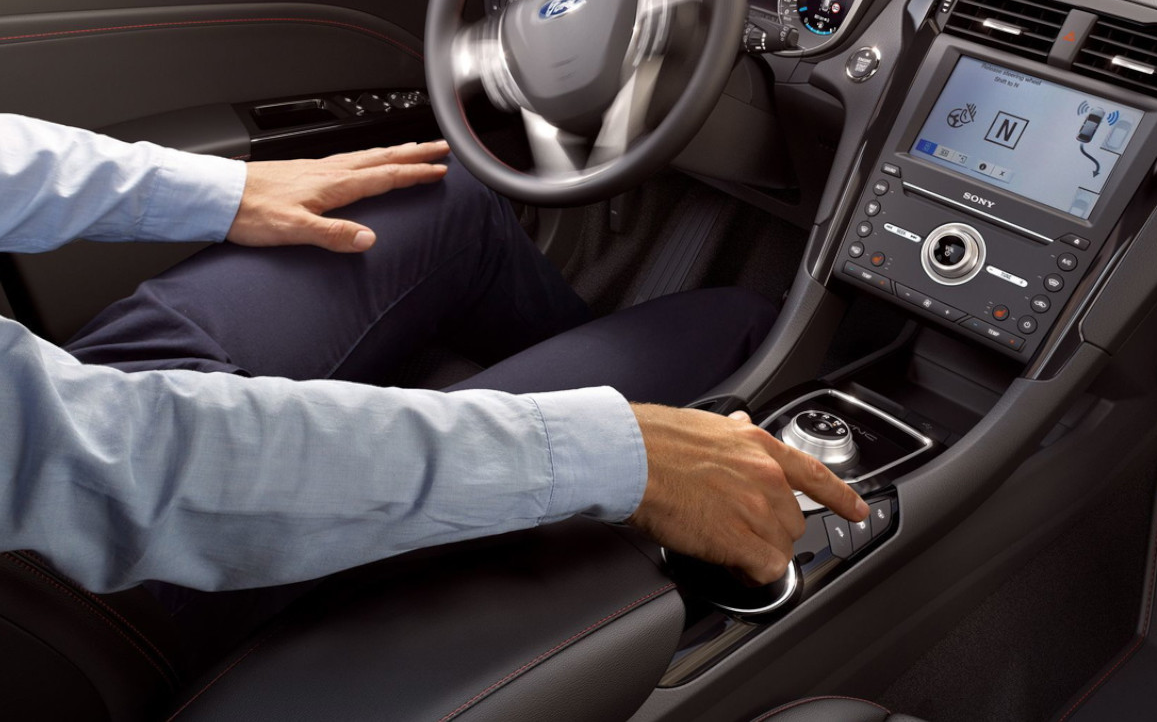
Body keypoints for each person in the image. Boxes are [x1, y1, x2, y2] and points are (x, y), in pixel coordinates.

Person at [0, 112, 868, 603]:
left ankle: (532, 471)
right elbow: (128, 467)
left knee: (440, 192)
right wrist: (616, 454)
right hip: (64, 568)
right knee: (736, 323)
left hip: (55, 398)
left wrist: (226, 191)